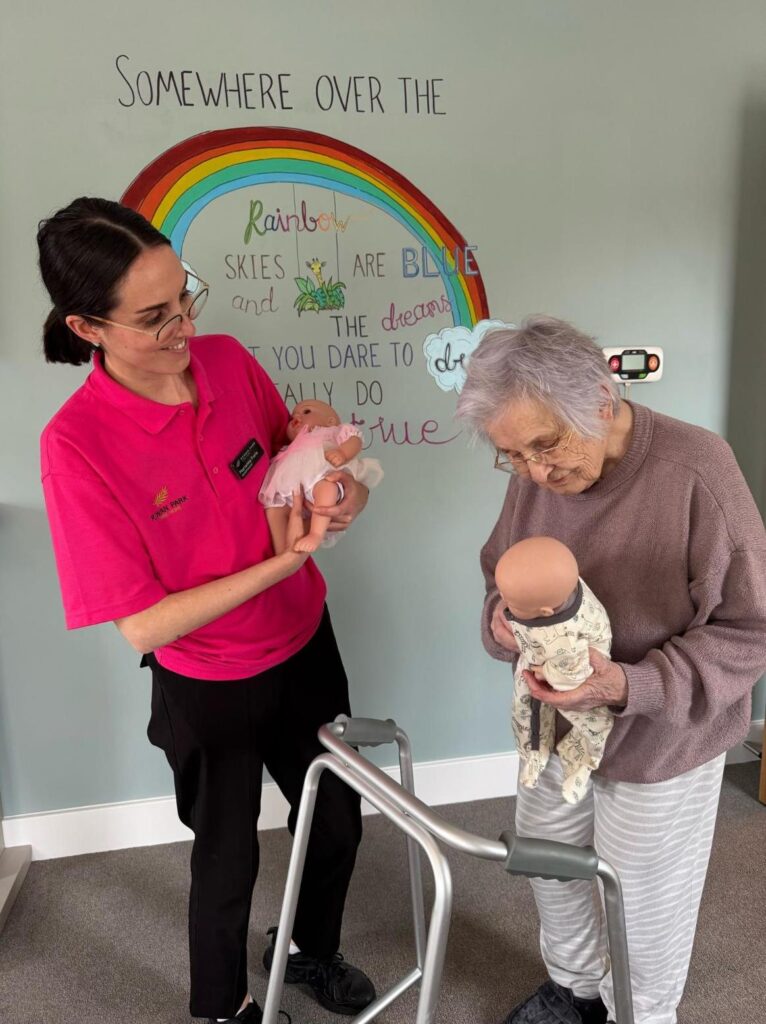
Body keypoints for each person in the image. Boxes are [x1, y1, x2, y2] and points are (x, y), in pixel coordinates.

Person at [37, 197, 376, 1024]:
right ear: (88, 328)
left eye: (184, 295)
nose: (183, 327)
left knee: (335, 823)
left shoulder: (227, 359)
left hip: (304, 645)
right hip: (208, 682)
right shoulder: (75, 444)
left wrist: (338, 476)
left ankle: (308, 952)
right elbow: (144, 626)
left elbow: (297, 485)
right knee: (225, 865)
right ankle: (223, 1010)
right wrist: (279, 565)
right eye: (154, 318)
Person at [456, 316, 766, 1024]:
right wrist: (501, 622)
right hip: (555, 729)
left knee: (642, 904)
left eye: (546, 444)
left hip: (662, 740)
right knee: (548, 863)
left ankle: (639, 1014)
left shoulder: (698, 471)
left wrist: (631, 685)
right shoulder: (538, 477)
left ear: (600, 397)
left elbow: (753, 630)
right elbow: (495, 571)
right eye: (512, 456)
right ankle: (575, 992)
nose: (536, 473)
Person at [494, 536, 613, 804]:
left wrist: (546, 673)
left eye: (511, 603)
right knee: (524, 710)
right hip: (539, 655)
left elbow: (577, 669)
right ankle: (533, 752)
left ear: (546, 612)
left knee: (591, 722)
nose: (503, 601)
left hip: (575, 672)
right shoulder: (557, 590)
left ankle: (582, 759)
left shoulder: (567, 635)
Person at [259, 399, 383, 554]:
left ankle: (315, 534)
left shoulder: (333, 432)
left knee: (327, 487)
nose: (297, 416)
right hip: (294, 486)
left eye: (306, 412)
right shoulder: (291, 448)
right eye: (292, 417)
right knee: (274, 508)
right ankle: (281, 551)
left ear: (330, 421)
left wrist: (342, 453)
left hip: (322, 476)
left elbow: (355, 441)